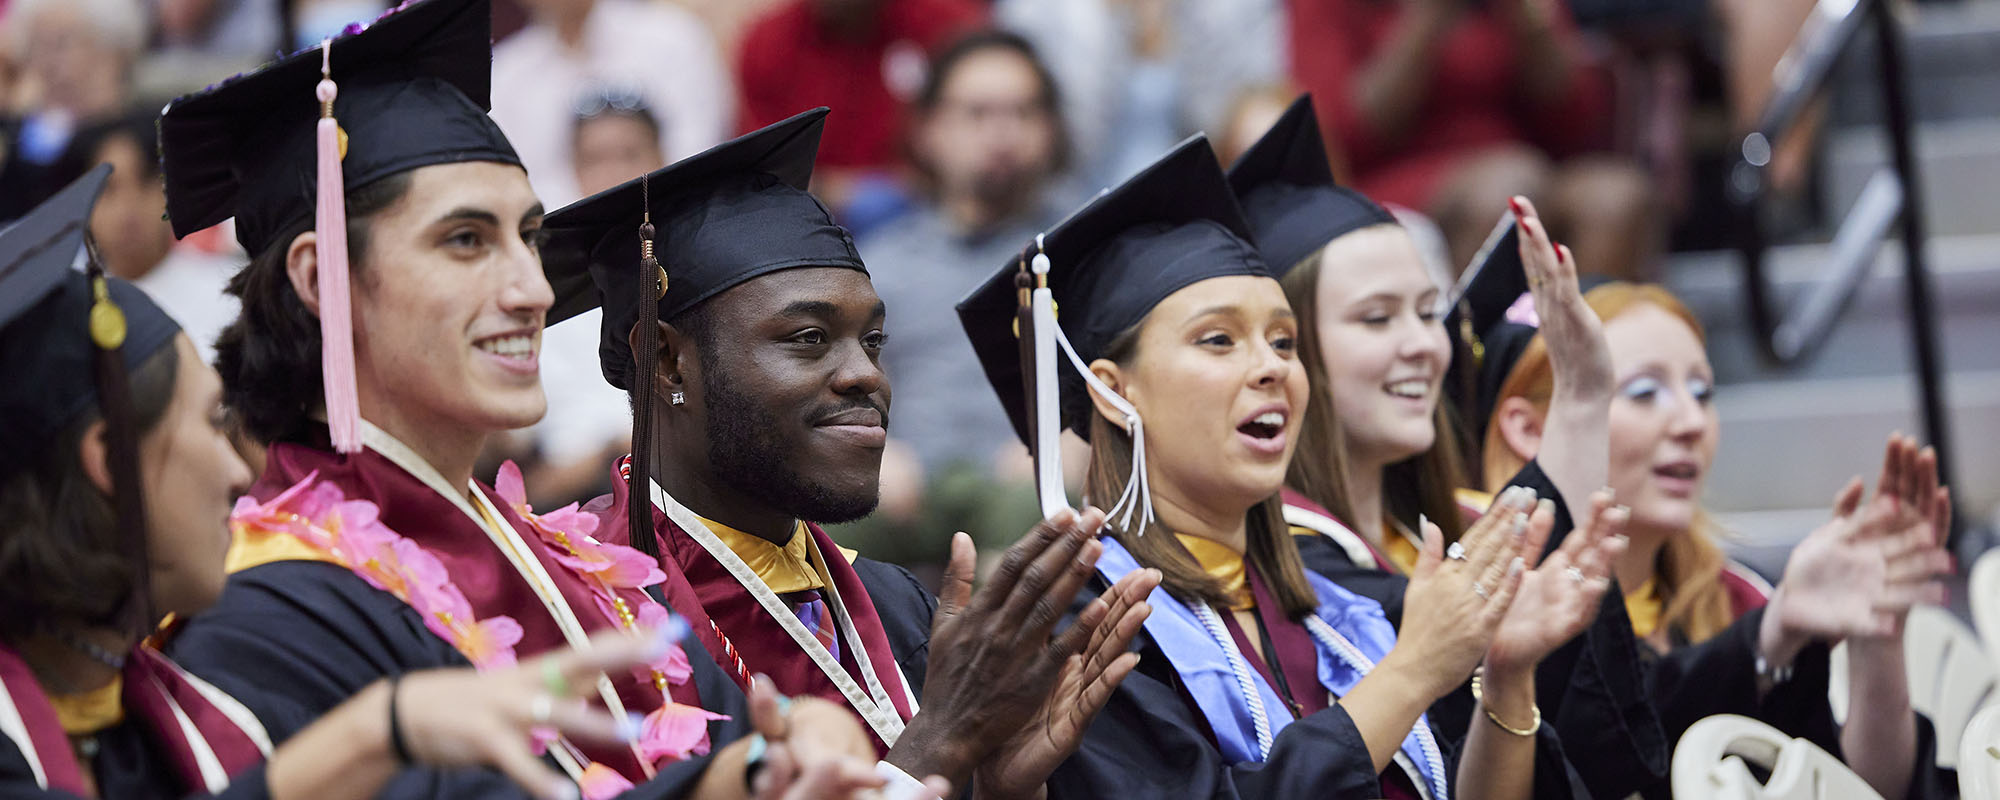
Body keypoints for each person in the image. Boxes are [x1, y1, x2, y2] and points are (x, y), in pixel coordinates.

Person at [152, 2, 902, 797]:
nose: (534, 289)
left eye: (530, 238)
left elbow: (733, 761)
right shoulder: (267, 611)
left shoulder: (571, 564)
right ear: (318, 279)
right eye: (467, 241)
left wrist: (785, 756)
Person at [958, 135, 1622, 799]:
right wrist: (1415, 669)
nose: (1273, 366)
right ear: (1112, 390)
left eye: (1284, 341)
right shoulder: (1084, 629)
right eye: (1219, 340)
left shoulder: (1344, 616)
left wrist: (1505, 678)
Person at [0, 165, 689, 800]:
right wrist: (377, 731)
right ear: (109, 461)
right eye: (211, 422)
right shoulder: (258, 621)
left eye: (530, 237)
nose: (238, 470)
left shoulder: (140, 711)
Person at [538, 106, 1157, 799]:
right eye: (808, 337)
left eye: (873, 341)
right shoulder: (572, 612)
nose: (866, 375)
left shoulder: (897, 608)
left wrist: (996, 788)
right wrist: (935, 744)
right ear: (667, 362)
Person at [1228, 95, 1667, 797]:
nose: (1422, 346)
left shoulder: (1450, 522)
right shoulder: (1286, 571)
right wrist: (1580, 405)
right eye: (1376, 318)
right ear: (1285, 354)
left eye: (1429, 312)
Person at [1480, 281, 1957, 799]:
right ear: (1530, 429)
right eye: (1643, 392)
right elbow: (1603, 759)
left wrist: (1878, 639)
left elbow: (1855, 789)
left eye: (1703, 392)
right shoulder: (1487, 610)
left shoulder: (1730, 596)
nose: (1690, 422)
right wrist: (1765, 638)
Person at [1285, 0, 1659, 280]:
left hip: (1527, 166)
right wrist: (1427, 20)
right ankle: (1483, 376)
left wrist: (1531, 25)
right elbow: (1339, 135)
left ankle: (1589, 371)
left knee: (1616, 197)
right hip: (1394, 177)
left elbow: (1578, 123)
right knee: (1507, 189)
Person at [861, 29, 1078, 479]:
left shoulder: (1084, 252)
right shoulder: (875, 266)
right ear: (928, 129)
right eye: (977, 113)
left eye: (1023, 111)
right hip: (904, 499)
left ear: (1052, 129)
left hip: (1040, 490)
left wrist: (1077, 442)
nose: (1002, 133)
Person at [733, 0, 985, 217]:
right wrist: (840, 192)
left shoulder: (948, 26)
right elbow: (762, 174)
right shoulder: (770, 42)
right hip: (806, 221)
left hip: (939, 213)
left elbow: (982, 141)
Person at [997, 0, 1285, 188]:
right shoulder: (1043, 10)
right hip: (1077, 193)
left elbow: (1246, 100)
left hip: (1197, 187)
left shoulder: (1228, 9)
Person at [490, 0, 731, 208]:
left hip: (671, 223)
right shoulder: (505, 75)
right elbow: (515, 186)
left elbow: (696, 157)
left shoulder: (674, 40)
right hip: (560, 245)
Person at [74, 108, 239, 365]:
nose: (128, 210)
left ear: (168, 190)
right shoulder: (72, 314)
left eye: (145, 181)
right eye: (108, 190)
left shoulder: (227, 293)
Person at [0, 0, 144, 221]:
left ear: (113, 51)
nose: (46, 63)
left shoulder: (145, 134)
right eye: (36, 46)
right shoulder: (16, 136)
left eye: (61, 44)